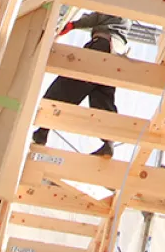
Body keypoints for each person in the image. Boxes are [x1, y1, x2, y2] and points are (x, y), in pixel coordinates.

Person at [31, 12, 132, 157]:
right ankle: (108, 143)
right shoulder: (127, 16)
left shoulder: (117, 1)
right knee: (102, 99)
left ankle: (43, 131)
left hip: (102, 45)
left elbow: (97, 17)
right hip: (115, 54)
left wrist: (73, 25)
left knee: (67, 86)